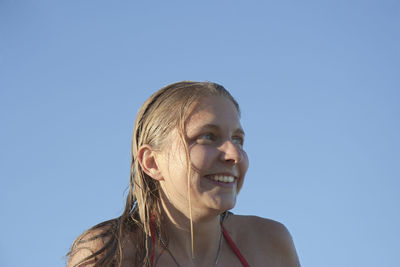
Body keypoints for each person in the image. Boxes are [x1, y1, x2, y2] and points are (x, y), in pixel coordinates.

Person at [67, 81, 300, 267]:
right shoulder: (107, 255)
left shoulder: (269, 244)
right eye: (208, 136)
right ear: (151, 162)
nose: (234, 155)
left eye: (237, 139)